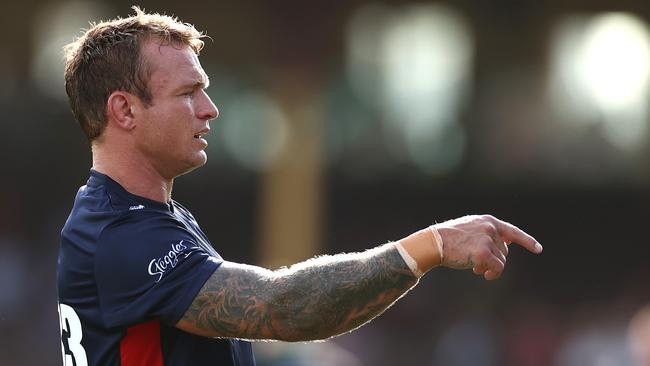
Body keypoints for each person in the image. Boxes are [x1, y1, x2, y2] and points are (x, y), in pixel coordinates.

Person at [57, 7, 543, 366]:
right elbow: (281, 308)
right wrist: (431, 246)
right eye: (188, 93)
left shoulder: (141, 217)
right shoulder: (122, 235)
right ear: (124, 111)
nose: (210, 109)